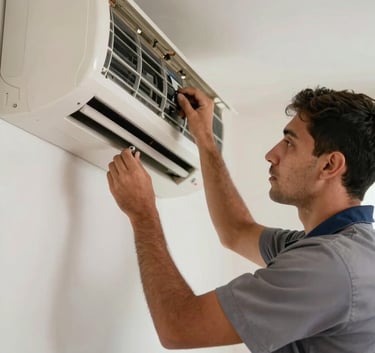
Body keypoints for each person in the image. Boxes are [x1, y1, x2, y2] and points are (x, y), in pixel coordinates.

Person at [107, 86, 375, 352]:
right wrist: (205, 138)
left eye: (290, 143)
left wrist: (143, 214)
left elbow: (178, 328)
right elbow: (236, 231)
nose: (272, 154)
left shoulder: (327, 266)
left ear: (329, 165)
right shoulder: (342, 247)